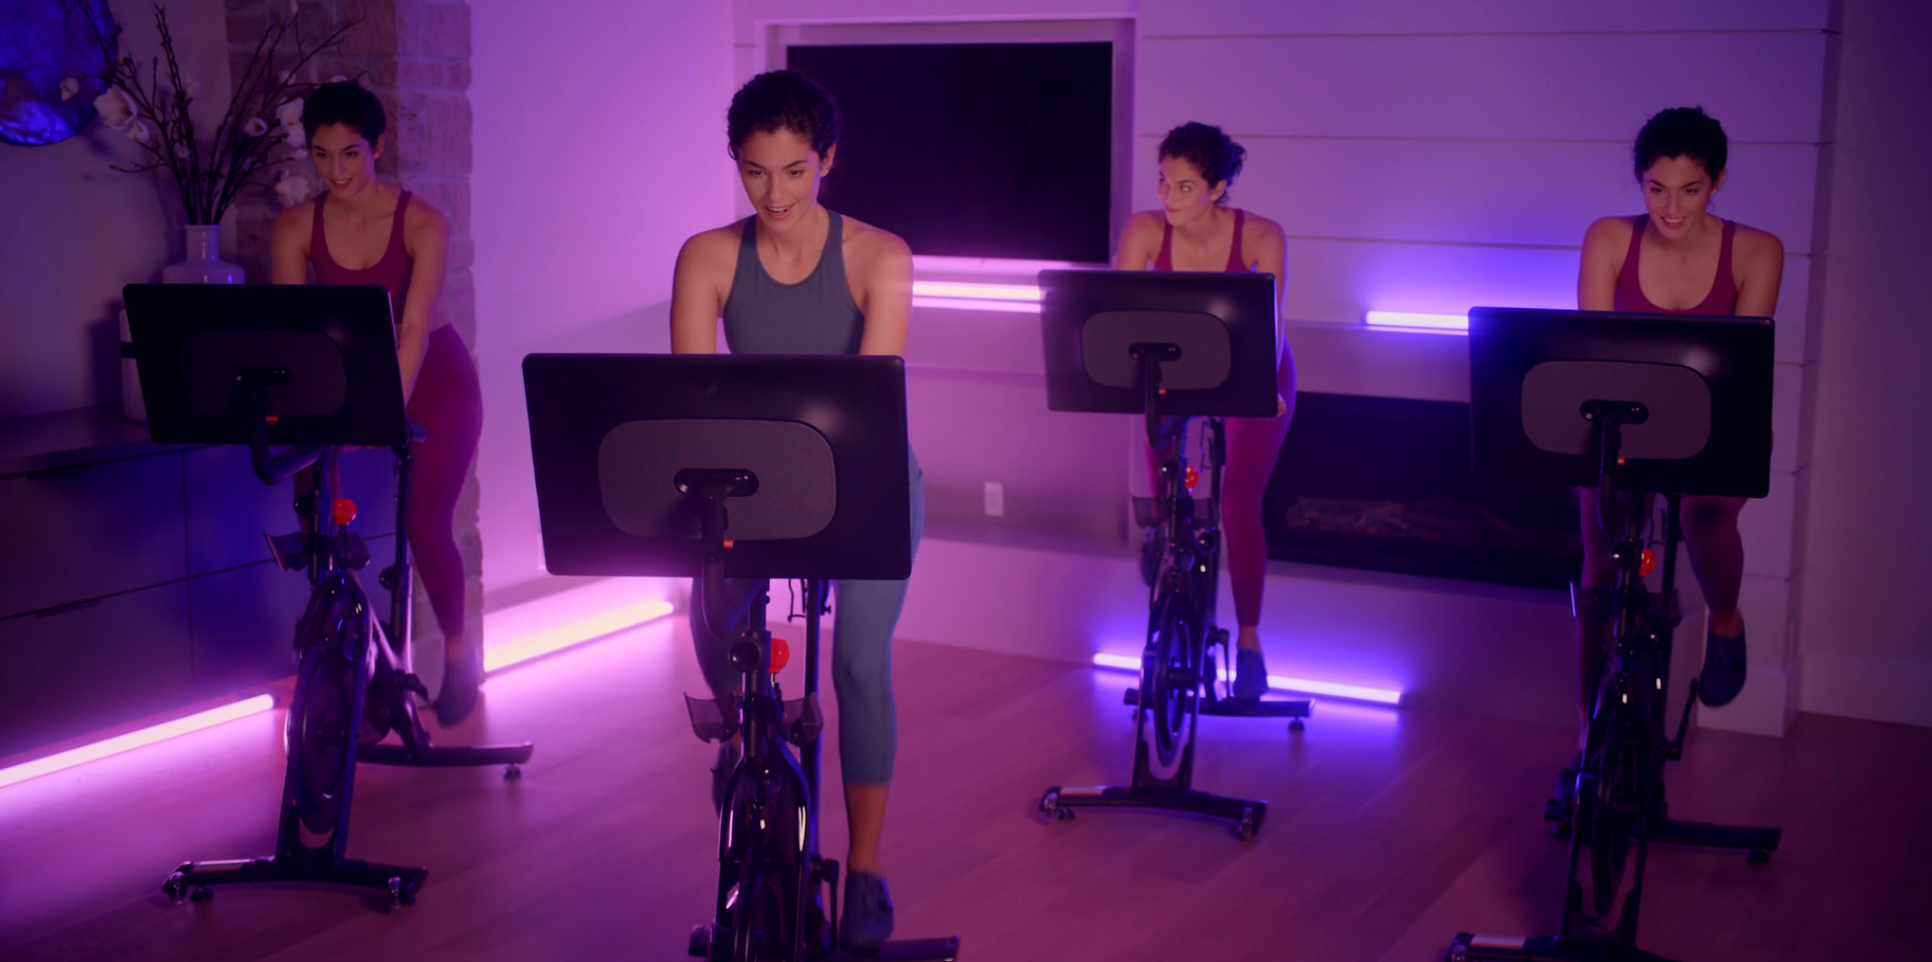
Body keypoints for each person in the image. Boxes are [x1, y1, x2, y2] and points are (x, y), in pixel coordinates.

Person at [667, 69, 919, 954]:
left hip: (867, 477)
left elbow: (869, 409)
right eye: (754, 171)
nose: (773, 193)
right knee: (709, 617)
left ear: (828, 161)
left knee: (857, 666)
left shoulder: (881, 256)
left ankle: (868, 871)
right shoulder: (706, 256)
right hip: (751, 473)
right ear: (736, 163)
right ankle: (742, 744)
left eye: (795, 171)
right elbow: (694, 402)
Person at [1551, 106, 1784, 817]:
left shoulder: (1756, 251)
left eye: (1690, 190)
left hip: (1716, 420)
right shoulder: (1609, 237)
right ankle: (1590, 738)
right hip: (1621, 417)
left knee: (1703, 517)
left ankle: (1725, 619)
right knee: (1601, 562)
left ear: (1717, 183)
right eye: (1657, 189)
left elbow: (1741, 367)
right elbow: (1593, 351)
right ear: (1640, 182)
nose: (1672, 207)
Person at [270, 81, 485, 725]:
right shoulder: (295, 226)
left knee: (425, 525)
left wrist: (384, 409)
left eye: (350, 153)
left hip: (433, 376)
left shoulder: (422, 222)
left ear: (378, 147)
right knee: (318, 509)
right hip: (345, 372)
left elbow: (413, 328)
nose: (335, 170)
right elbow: (295, 327)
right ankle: (354, 649)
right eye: (321, 155)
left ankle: (459, 654)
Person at [1114, 121, 1294, 702]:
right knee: (1167, 479)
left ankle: (1250, 642)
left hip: (1252, 367)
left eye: (1185, 187)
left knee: (1238, 500)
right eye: (1163, 182)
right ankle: (1164, 541)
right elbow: (1118, 315)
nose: (1168, 197)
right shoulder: (1145, 229)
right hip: (1175, 365)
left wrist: (1261, 387)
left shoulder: (1261, 235)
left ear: (1217, 189)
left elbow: (1270, 327)